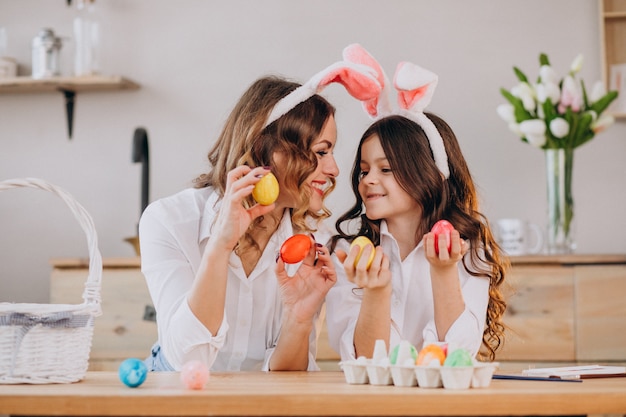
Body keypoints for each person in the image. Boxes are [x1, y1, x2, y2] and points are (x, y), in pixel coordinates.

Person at [139, 57, 381, 372]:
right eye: (321, 152)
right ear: (266, 152)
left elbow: (288, 379)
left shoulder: (315, 244)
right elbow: (187, 361)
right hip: (176, 387)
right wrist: (220, 246)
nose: (334, 169)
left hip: (261, 396)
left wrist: (299, 318)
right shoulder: (169, 221)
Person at [325, 44, 507, 362]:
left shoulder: (467, 246)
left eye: (386, 169)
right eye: (364, 170)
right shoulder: (348, 252)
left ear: (429, 174)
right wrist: (376, 291)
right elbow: (367, 361)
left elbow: (458, 356)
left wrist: (444, 270)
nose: (367, 180)